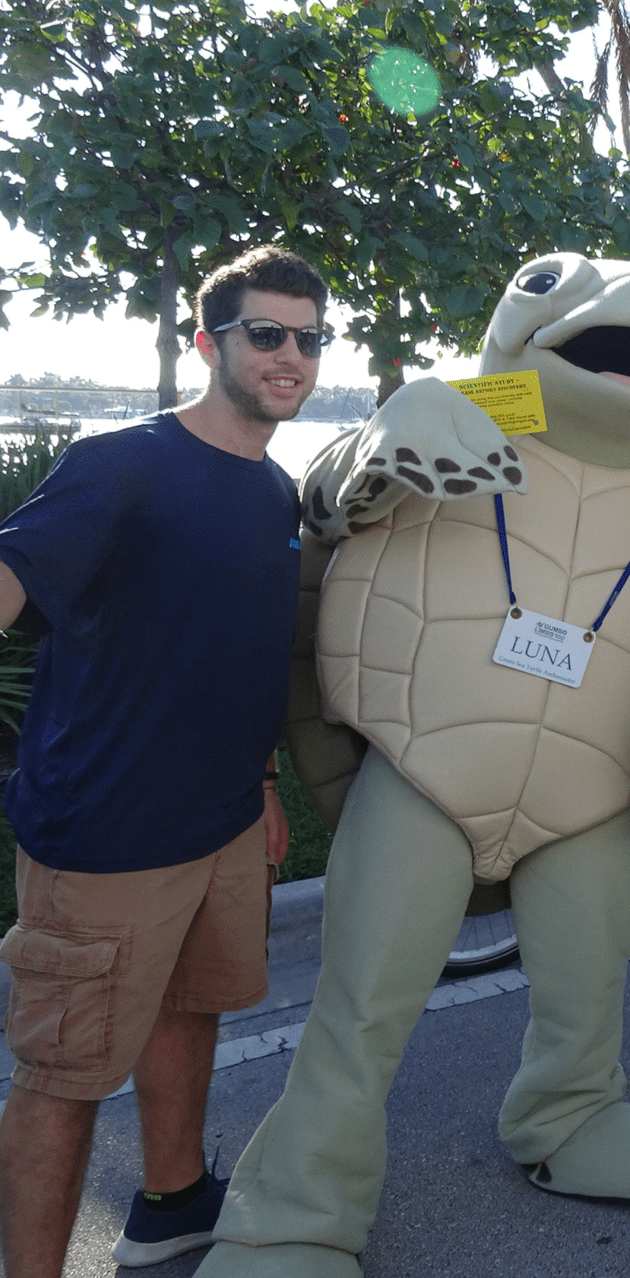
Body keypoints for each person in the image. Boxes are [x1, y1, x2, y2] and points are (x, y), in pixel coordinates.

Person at [0, 245, 326, 1276]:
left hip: (224, 822)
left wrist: (266, 787)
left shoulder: (277, 494)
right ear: (209, 341)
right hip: (104, 835)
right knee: (63, 1075)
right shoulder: (122, 464)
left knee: (190, 1012)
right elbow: (14, 573)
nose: (291, 356)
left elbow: (245, 648)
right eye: (266, 333)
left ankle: (174, 1202)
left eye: (310, 339)